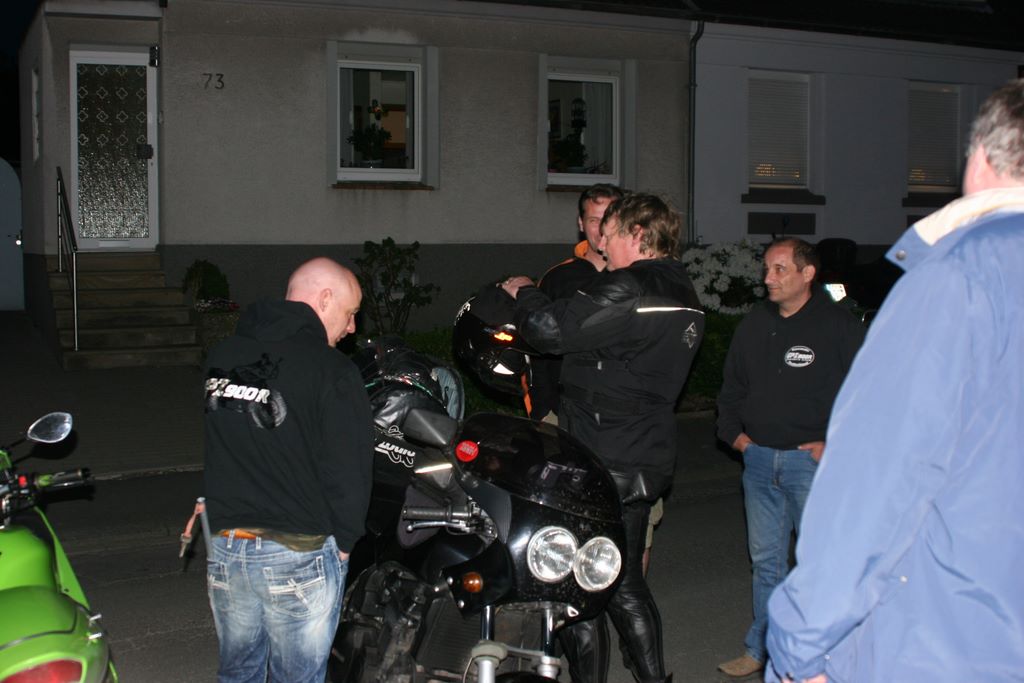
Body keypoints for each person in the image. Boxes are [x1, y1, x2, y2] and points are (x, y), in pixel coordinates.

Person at [765, 78, 1024, 683]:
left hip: (949, 641)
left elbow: (876, 479)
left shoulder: (957, 279)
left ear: (979, 159)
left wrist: (801, 646)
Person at [503, 192, 705, 683]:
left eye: (609, 235)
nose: (602, 245)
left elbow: (550, 330)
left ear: (636, 235)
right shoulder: (682, 288)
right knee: (624, 581)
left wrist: (525, 292)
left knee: (579, 582)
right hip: (643, 454)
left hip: (603, 456)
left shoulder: (630, 285)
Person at [203, 257, 374, 683]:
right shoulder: (332, 369)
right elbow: (349, 471)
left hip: (227, 549)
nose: (352, 327)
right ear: (326, 299)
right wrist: (345, 544)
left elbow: (223, 444)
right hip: (298, 552)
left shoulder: (222, 356)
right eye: (351, 313)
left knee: (237, 674)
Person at [716, 238, 865, 679]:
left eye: (780, 269)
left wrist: (834, 443)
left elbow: (870, 392)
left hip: (812, 467)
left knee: (821, 565)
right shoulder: (755, 324)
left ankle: (827, 655)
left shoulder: (839, 326)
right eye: (766, 269)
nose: (768, 278)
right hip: (760, 462)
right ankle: (763, 649)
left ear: (807, 273)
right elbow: (732, 386)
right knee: (767, 565)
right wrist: (736, 437)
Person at [527, 183, 623, 423]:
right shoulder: (558, 278)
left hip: (620, 416)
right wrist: (541, 411)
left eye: (609, 220)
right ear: (581, 223)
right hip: (563, 412)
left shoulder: (635, 277)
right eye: (594, 220)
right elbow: (535, 350)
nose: (602, 230)